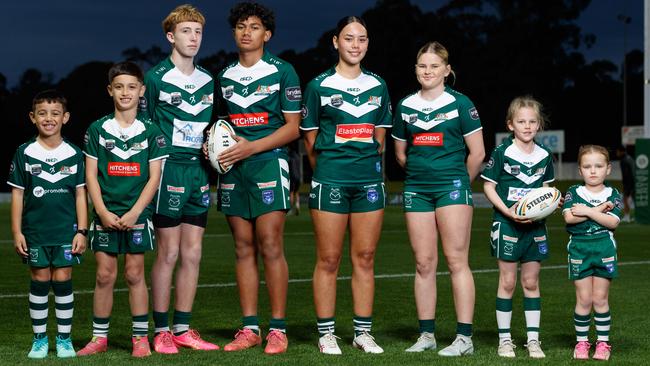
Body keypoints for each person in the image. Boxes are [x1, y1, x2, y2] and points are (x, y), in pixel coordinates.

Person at [300, 16, 391, 355]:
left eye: (362, 39)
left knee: (365, 257)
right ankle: (326, 333)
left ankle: (362, 333)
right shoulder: (318, 86)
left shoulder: (378, 85)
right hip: (331, 180)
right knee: (329, 258)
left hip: (368, 181)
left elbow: (379, 135)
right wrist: (327, 168)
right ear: (336, 42)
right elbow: (310, 140)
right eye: (349, 38)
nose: (356, 45)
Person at [214, 2, 301, 354]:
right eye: (240, 26)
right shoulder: (224, 76)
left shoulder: (283, 71)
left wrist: (253, 148)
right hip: (234, 167)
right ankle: (250, 327)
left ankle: (277, 329)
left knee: (269, 244)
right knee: (242, 248)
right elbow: (218, 129)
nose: (246, 32)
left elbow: (293, 128)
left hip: (269, 163)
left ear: (267, 34)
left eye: (253, 27)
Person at [392, 41, 485, 357]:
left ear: (447, 70)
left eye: (434, 66)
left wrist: (456, 182)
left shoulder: (461, 104)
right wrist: (424, 174)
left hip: (452, 189)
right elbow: (401, 155)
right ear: (415, 70)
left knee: (457, 261)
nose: (427, 71)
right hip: (417, 189)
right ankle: (427, 335)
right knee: (423, 263)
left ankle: (464, 339)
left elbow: (478, 154)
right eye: (422, 66)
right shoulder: (405, 105)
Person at [77, 62, 168, 357]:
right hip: (106, 212)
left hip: (136, 214)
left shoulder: (152, 132)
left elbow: (154, 178)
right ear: (110, 90)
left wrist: (135, 212)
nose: (125, 92)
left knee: (133, 273)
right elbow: (90, 175)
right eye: (119, 87)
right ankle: (98, 338)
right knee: (104, 275)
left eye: (131, 86)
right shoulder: (97, 129)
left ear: (141, 90)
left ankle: (140, 338)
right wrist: (101, 211)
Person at [142, 4, 219, 353]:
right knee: (169, 253)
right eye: (186, 32)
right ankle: (160, 332)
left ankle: (183, 329)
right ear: (171, 36)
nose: (193, 38)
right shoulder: (155, 78)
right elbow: (144, 128)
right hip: (168, 169)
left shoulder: (208, 80)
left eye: (198, 32)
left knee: (193, 252)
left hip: (199, 173)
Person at [8, 90, 87, 359]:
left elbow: (80, 194)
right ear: (33, 118)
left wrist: (82, 230)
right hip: (36, 232)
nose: (48, 118)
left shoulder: (75, 153)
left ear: (65, 118)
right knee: (40, 279)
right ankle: (39, 339)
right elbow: (17, 194)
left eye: (55, 114)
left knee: (63, 278)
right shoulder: (24, 153)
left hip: (66, 230)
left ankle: (64, 340)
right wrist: (17, 232)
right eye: (42, 113)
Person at [481, 96, 555, 359]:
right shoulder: (501, 153)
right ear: (510, 124)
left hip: (535, 228)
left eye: (532, 121)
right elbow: (488, 187)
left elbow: (546, 191)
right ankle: (505, 340)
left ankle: (533, 340)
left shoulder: (545, 156)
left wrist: (544, 208)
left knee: (531, 281)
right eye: (521, 121)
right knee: (509, 281)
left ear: (539, 125)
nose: (527, 126)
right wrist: (508, 211)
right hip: (507, 224)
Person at [563, 145, 621, 361]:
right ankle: (581, 342)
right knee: (584, 298)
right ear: (580, 170)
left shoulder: (613, 194)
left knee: (600, 297)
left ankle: (603, 343)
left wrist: (586, 211)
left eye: (598, 166)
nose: (593, 171)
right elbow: (569, 218)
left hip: (604, 249)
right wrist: (597, 210)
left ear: (608, 169)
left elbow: (612, 222)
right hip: (579, 248)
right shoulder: (573, 192)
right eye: (587, 166)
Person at [615, 145, 634, 222]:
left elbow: (626, 174)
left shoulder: (623, 160)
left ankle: (627, 216)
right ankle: (636, 216)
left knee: (625, 199)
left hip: (629, 183)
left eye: (617, 151)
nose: (617, 153)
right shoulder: (630, 158)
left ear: (621, 151)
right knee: (633, 199)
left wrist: (624, 184)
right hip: (634, 181)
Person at [287, 139, 302, 216]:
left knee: (291, 193)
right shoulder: (298, 156)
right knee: (297, 192)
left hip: (292, 176)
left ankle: (290, 209)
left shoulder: (289, 156)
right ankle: (297, 205)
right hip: (299, 176)